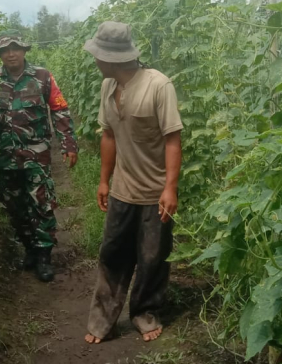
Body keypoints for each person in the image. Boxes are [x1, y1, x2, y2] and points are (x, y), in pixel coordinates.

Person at [82, 21, 183, 344]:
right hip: (122, 190)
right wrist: (104, 180)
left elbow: (172, 139)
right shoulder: (108, 87)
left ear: (111, 59)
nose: (95, 60)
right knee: (112, 254)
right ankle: (102, 321)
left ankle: (145, 313)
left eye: (97, 55)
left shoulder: (158, 85)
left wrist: (169, 187)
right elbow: (109, 135)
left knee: (153, 257)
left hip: (155, 192)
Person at [0, 31, 79, 282]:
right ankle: (29, 248)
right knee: (13, 205)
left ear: (24, 50)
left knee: (41, 202)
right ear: (0, 54)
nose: (11, 54)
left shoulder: (42, 77)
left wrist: (68, 144)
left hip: (36, 154)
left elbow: (59, 109)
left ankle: (44, 254)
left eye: (15, 48)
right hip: (5, 156)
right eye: (5, 50)